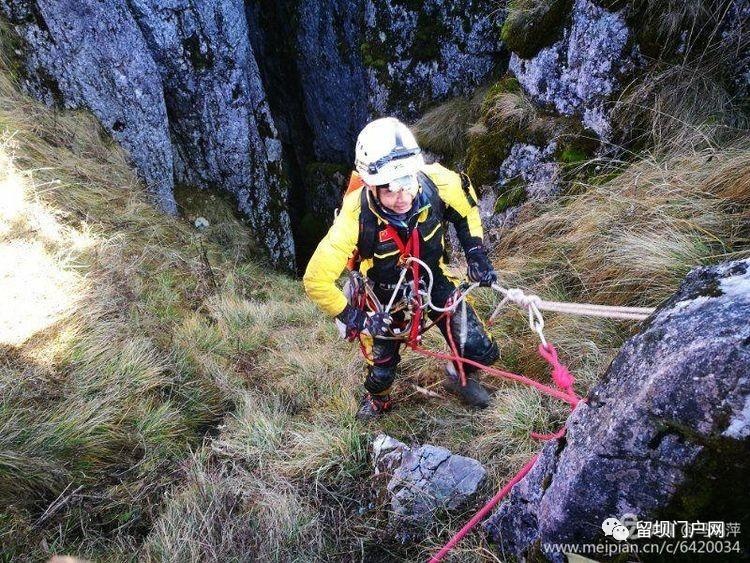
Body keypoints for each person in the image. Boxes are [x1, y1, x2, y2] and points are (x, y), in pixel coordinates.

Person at [303, 117, 499, 420]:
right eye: (391, 189)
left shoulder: (438, 182)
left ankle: (459, 376)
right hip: (381, 297)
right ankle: (378, 400)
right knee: (382, 370)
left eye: (408, 182)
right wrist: (355, 317)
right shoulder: (355, 217)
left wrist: (475, 252)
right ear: (371, 186)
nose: (403, 197)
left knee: (480, 348)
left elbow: (465, 211)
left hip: (434, 280)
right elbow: (316, 279)